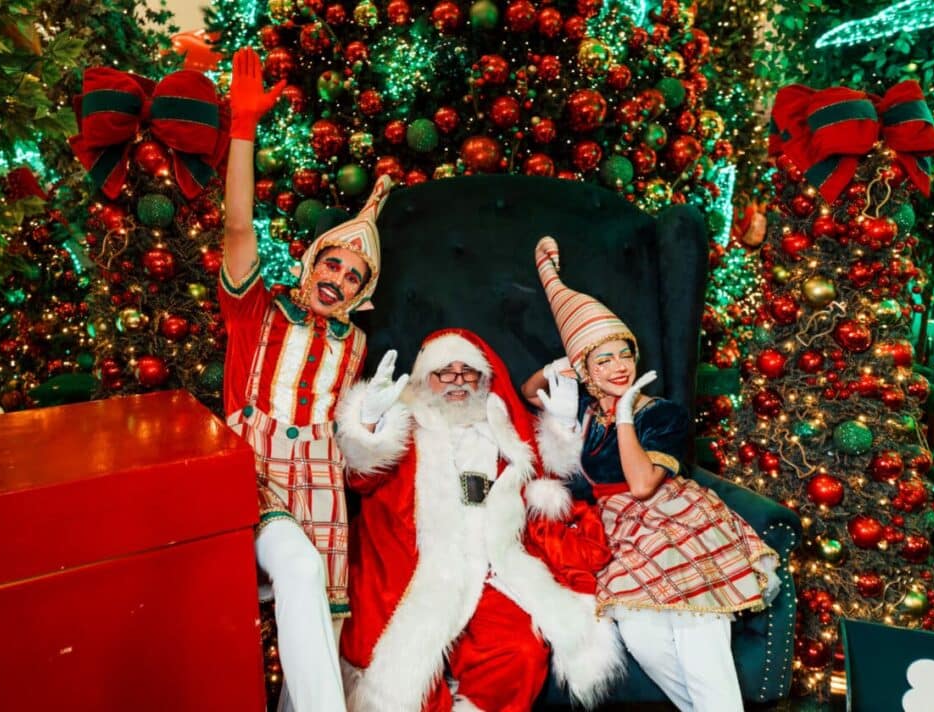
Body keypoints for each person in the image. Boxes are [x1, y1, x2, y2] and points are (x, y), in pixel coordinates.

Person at [522, 237, 781, 712]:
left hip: (676, 523)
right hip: (622, 534)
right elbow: (530, 390)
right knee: (645, 640)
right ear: (585, 369)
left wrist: (624, 414)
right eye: (604, 359)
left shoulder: (663, 414)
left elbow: (642, 484)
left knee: (699, 644)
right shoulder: (581, 406)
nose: (620, 366)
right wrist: (558, 367)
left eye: (624, 355)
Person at [221, 47, 394, 711]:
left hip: (321, 476)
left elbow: (356, 447)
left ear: (361, 291)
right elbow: (238, 225)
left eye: (354, 275)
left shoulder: (357, 343)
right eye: (332, 261)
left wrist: (372, 422)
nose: (338, 278)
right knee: (290, 566)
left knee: (322, 618)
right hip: (256, 464)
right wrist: (243, 131)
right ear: (310, 259)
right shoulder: (257, 306)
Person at [335, 329, 624, 712]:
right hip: (420, 569)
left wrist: (565, 428)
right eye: (445, 372)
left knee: (521, 652)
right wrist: (370, 428)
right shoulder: (403, 423)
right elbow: (361, 478)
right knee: (401, 678)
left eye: (467, 372)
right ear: (425, 379)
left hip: (492, 566)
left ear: (483, 378)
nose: (458, 381)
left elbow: (549, 471)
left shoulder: (502, 426)